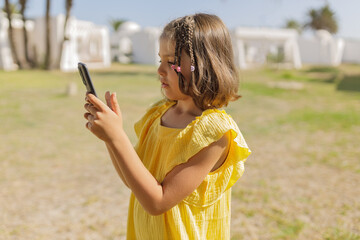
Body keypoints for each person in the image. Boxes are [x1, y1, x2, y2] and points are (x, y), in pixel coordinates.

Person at [83, 13, 251, 240]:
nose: (160, 70)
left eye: (172, 62)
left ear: (206, 65)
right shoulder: (159, 114)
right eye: (160, 59)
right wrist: (110, 137)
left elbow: (157, 201)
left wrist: (116, 138)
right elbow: (134, 182)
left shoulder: (214, 133)